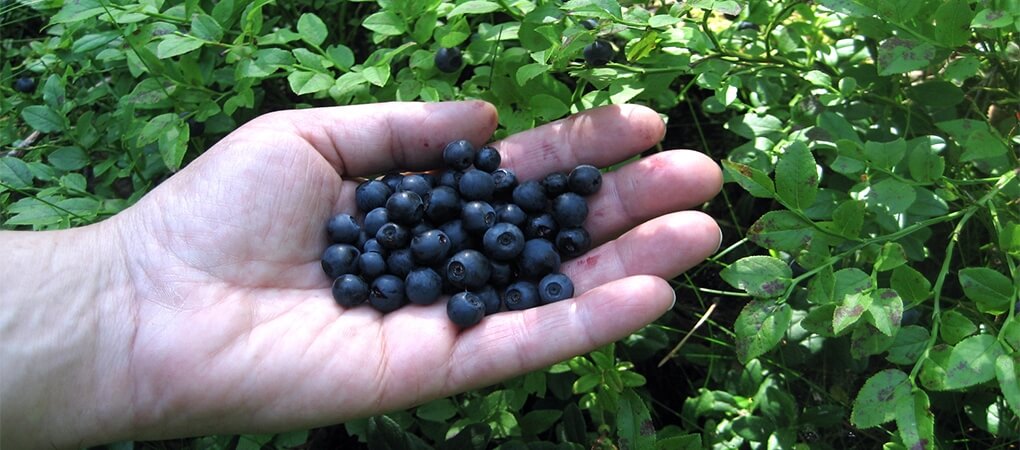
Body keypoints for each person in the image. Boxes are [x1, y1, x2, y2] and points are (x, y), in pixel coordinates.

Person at [0, 101, 722, 449]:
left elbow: (482, 234)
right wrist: (123, 283)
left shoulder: (471, 228)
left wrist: (114, 291)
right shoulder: (413, 234)